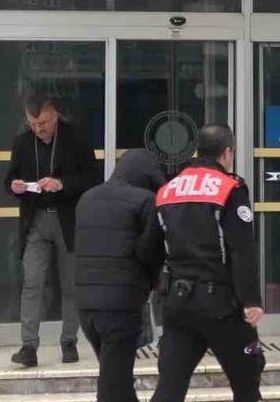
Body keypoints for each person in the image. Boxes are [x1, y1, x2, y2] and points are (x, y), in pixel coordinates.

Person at [141, 124, 265, 402]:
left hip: (178, 304)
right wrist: (251, 300)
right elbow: (241, 249)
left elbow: (150, 250)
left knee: (170, 388)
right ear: (227, 152)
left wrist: (149, 289)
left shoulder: (167, 190)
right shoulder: (230, 188)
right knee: (247, 382)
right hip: (221, 305)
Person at [5, 93, 98, 367]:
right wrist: (15, 186)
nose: (38, 129)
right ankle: (28, 346)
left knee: (71, 285)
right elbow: (10, 176)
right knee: (32, 282)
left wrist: (61, 184)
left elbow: (92, 177)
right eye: (33, 124)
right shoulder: (22, 142)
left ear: (55, 116)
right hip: (35, 220)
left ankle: (69, 341)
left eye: (43, 123)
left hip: (67, 220)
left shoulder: (76, 138)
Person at [74, 149, 167, 402]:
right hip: (120, 305)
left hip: (86, 306)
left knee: (117, 378)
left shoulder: (87, 198)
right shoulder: (146, 201)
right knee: (113, 385)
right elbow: (150, 252)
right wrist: (153, 283)